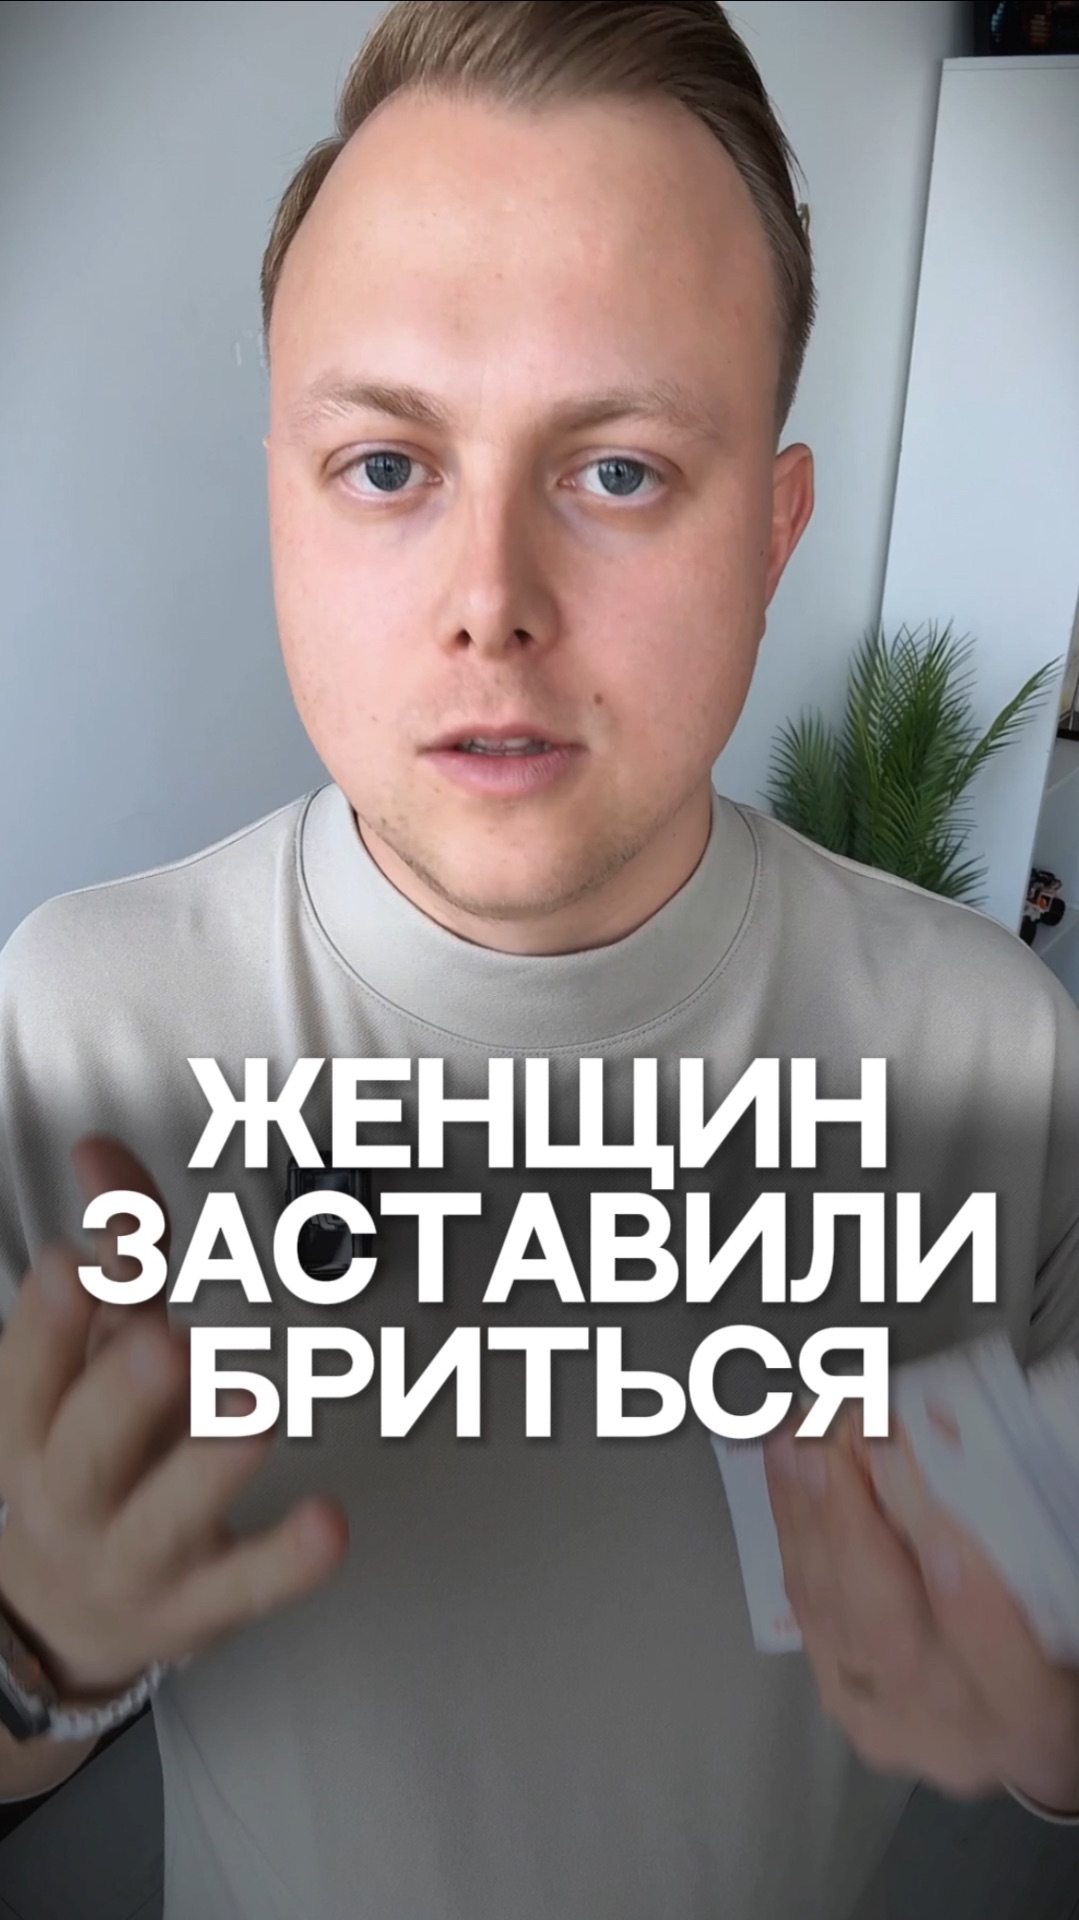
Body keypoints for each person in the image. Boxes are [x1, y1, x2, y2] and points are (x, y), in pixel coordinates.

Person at [0, 3, 1076, 1916]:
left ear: (774, 534)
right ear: (279, 500)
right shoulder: (80, 1025)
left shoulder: (991, 1056)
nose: (491, 605)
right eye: (385, 466)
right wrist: (38, 1653)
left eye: (623, 472)